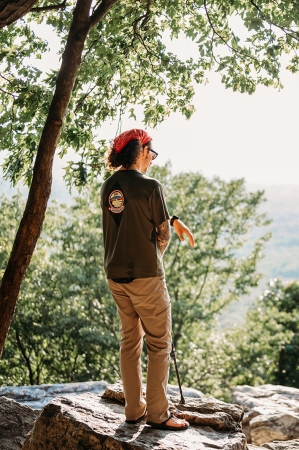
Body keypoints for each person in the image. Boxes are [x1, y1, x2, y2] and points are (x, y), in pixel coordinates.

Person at [101, 128, 194, 431]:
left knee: (130, 341)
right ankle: (158, 413)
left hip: (116, 276)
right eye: (151, 153)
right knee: (159, 343)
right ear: (141, 152)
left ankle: (133, 409)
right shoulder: (151, 186)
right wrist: (157, 253)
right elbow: (161, 232)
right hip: (146, 277)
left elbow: (128, 222)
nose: (152, 160)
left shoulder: (108, 186)